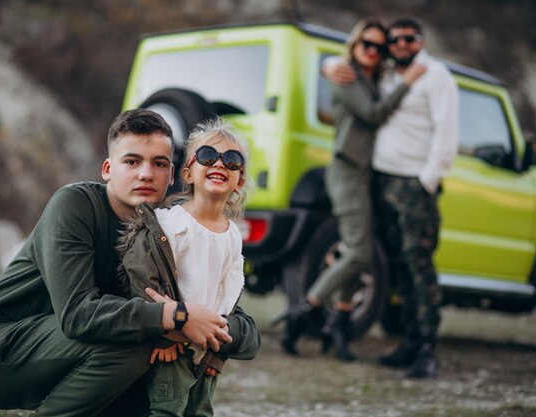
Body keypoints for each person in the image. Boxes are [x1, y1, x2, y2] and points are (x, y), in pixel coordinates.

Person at [0, 108, 260, 417]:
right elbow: (77, 315)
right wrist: (178, 317)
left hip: (87, 353)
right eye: (131, 161)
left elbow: (242, 326)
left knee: (165, 362)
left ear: (172, 175)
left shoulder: (168, 230)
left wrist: (213, 331)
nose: (145, 174)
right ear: (107, 169)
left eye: (158, 163)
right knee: (142, 341)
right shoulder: (75, 205)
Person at [280, 18, 426, 361]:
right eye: (367, 45)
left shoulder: (375, 77)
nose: (373, 52)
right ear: (356, 44)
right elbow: (374, 114)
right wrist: (405, 82)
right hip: (347, 173)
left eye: (379, 46)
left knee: (355, 251)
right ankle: (303, 310)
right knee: (359, 252)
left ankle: (339, 329)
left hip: (369, 176)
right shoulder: (346, 75)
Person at [323, 17, 459, 378]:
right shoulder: (388, 75)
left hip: (414, 186)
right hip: (381, 183)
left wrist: (428, 180)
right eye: (392, 41)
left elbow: (447, 133)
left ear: (421, 40)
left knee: (419, 265)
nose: (399, 45)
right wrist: (328, 66)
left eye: (407, 39)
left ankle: (428, 347)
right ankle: (410, 342)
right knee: (399, 267)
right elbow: (348, 75)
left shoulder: (436, 75)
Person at [117, 117, 254, 417]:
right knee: (167, 410)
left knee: (200, 411)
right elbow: (144, 278)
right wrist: (162, 334)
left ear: (239, 179)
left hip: (206, 347)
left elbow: (229, 293)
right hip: (172, 346)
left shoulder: (232, 234)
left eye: (232, 160)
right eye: (207, 156)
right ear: (188, 173)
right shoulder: (170, 223)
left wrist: (219, 351)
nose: (219, 164)